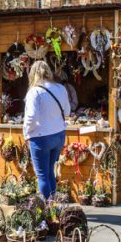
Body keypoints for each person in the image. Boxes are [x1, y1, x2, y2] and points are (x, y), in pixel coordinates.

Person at [23, 60, 70, 199]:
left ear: (33, 74)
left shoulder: (35, 91)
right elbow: (67, 112)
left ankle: (48, 209)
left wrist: (26, 133)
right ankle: (52, 205)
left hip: (41, 137)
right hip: (58, 135)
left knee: (42, 175)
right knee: (49, 172)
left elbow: (31, 117)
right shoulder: (61, 88)